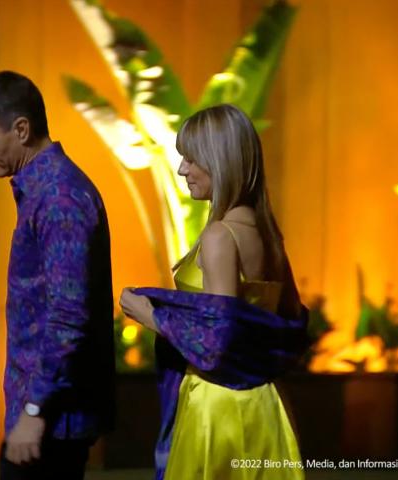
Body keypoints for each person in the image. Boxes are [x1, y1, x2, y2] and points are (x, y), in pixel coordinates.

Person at [120, 104, 307, 480]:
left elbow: (216, 341)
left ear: (220, 161)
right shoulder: (269, 236)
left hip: (218, 406)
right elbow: (292, 322)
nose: (181, 169)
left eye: (191, 159)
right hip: (267, 402)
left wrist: (149, 314)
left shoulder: (221, 236)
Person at [0, 71, 115, 480]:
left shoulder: (60, 199)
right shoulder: (44, 192)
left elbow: (68, 318)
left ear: (21, 130)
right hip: (43, 417)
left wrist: (33, 411)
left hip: (51, 422)